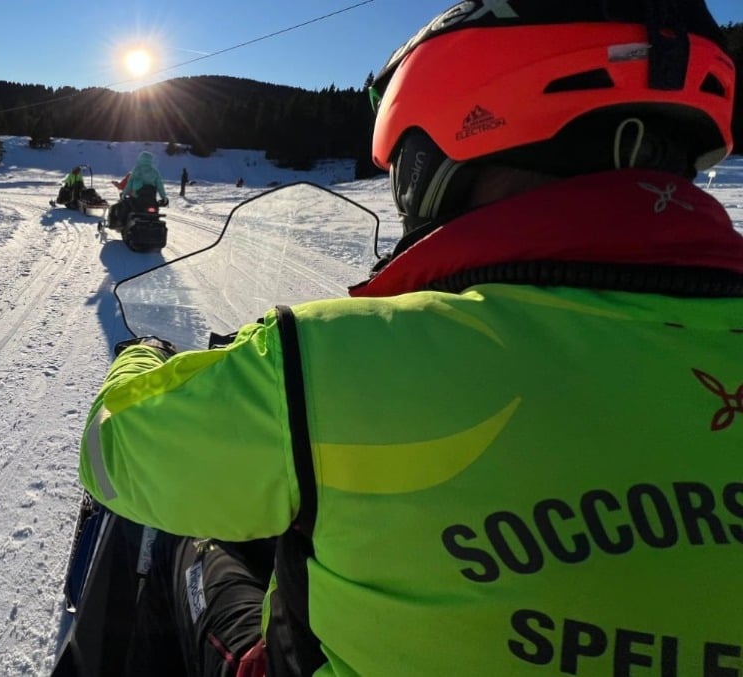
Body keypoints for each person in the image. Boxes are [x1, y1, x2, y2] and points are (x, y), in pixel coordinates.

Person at [78, 1, 742, 675]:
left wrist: (144, 354)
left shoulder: (335, 362)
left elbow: (113, 450)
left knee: (175, 534)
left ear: (443, 158)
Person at [109, 151, 169, 228]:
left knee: (124, 207)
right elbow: (160, 186)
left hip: (136, 200)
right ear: (150, 160)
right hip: (151, 200)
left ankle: (122, 225)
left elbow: (129, 184)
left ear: (140, 159)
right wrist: (164, 197)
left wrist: (124, 194)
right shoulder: (155, 172)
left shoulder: (137, 170)